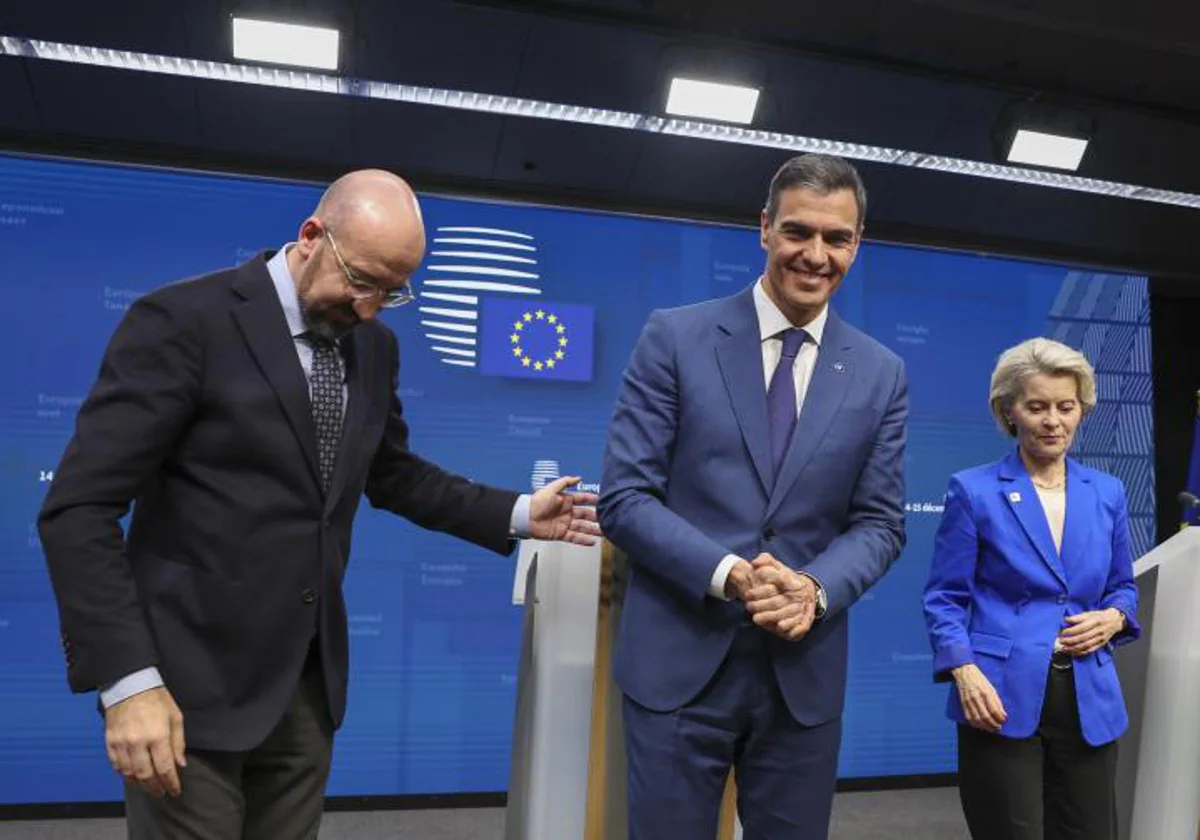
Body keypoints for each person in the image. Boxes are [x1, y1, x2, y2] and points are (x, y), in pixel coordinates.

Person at [37, 169, 599, 839]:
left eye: (392, 294)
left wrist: (515, 513)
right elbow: (78, 510)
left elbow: (390, 473)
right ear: (311, 237)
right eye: (362, 282)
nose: (368, 308)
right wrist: (128, 682)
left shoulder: (373, 346)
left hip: (304, 689)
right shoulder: (185, 322)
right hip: (184, 687)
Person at [598, 153, 908, 840]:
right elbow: (625, 498)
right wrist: (734, 576)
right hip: (678, 667)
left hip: (802, 675)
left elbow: (880, 523)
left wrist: (813, 589)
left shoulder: (881, 374)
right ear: (764, 228)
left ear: (859, 245)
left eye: (838, 238)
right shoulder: (674, 338)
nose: (815, 255)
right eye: (798, 231)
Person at [922, 337, 1140, 840]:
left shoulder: (1107, 492)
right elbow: (945, 598)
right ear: (1009, 411)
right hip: (998, 694)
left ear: (1081, 410)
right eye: (1036, 406)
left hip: (1089, 695)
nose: (1053, 421)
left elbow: (1122, 588)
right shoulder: (973, 490)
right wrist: (964, 669)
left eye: (1066, 407)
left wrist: (1114, 617)